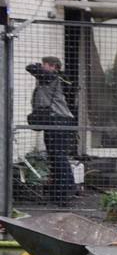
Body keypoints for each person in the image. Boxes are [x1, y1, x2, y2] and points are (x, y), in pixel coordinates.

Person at [26, 57, 76, 205]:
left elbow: (32, 69)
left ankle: (64, 191)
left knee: (58, 157)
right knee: (55, 157)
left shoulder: (54, 77)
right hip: (53, 121)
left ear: (53, 66)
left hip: (59, 121)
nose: (42, 67)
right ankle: (59, 191)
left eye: (44, 64)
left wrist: (34, 65)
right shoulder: (52, 78)